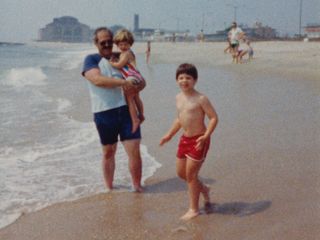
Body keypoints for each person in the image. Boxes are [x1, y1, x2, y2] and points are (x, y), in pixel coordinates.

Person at [82, 27, 144, 193]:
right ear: (96, 43)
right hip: (104, 112)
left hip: (126, 111)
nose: (108, 44)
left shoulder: (121, 57)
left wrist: (136, 84)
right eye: (103, 42)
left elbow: (141, 81)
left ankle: (137, 187)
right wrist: (124, 83)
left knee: (134, 150)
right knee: (109, 152)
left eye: (110, 41)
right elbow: (97, 80)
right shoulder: (91, 60)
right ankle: (109, 188)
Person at [160, 63, 218, 220]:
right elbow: (180, 119)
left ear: (195, 80)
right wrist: (169, 135)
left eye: (188, 78)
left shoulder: (201, 99)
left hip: (199, 140)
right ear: (176, 80)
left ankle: (194, 209)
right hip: (184, 139)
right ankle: (204, 189)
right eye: (181, 78)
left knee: (191, 175)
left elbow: (213, 117)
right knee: (181, 173)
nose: (184, 81)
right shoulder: (178, 97)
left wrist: (206, 135)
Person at [109, 29, 145, 133]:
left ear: (130, 44)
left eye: (126, 44)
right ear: (117, 44)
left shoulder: (126, 53)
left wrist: (111, 63)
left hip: (132, 77)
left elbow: (119, 65)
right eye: (120, 45)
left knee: (129, 98)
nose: (123, 47)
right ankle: (141, 115)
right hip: (137, 76)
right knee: (136, 96)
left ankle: (135, 120)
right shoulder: (129, 53)